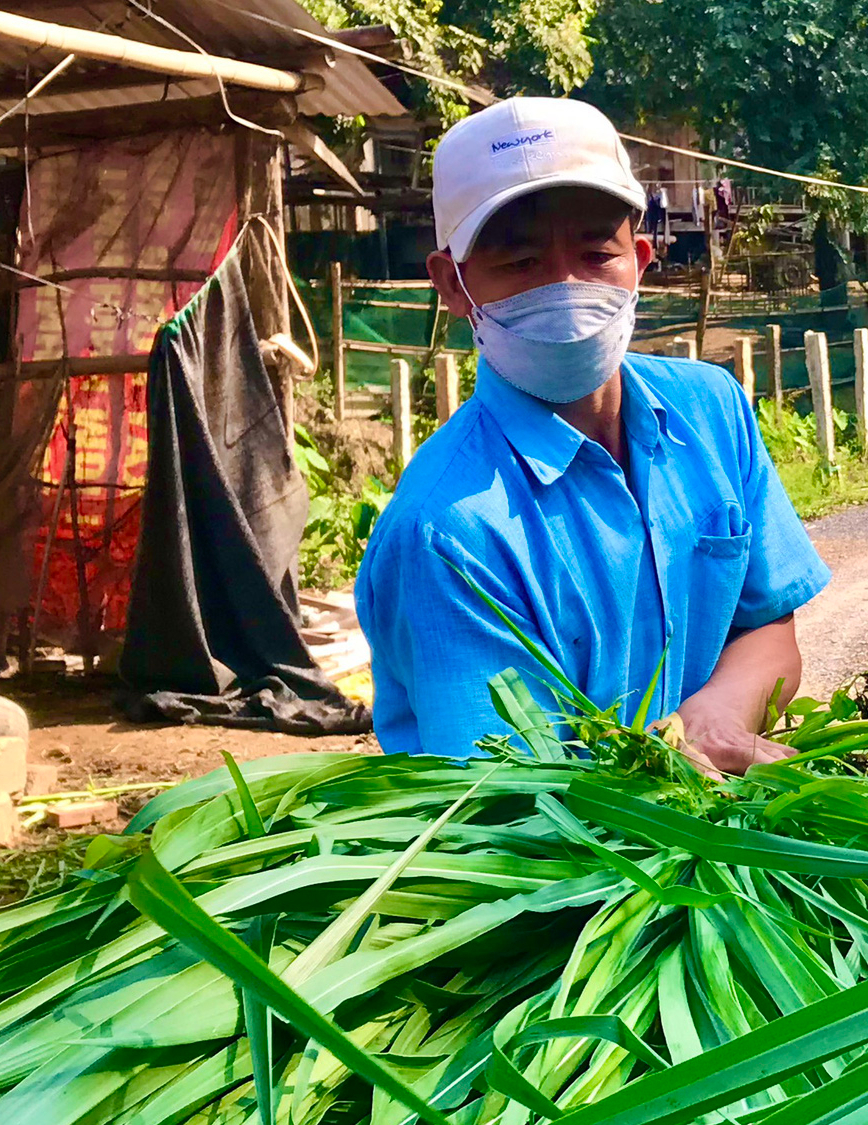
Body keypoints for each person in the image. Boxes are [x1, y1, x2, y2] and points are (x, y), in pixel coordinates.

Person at [355, 98, 830, 775]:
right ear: (452, 285)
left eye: (596, 252)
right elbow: (516, 807)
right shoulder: (447, 532)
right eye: (519, 262)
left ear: (640, 258)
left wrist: (716, 712)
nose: (565, 288)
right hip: (568, 871)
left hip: (708, 840)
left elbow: (767, 626)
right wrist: (669, 768)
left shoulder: (713, 413)